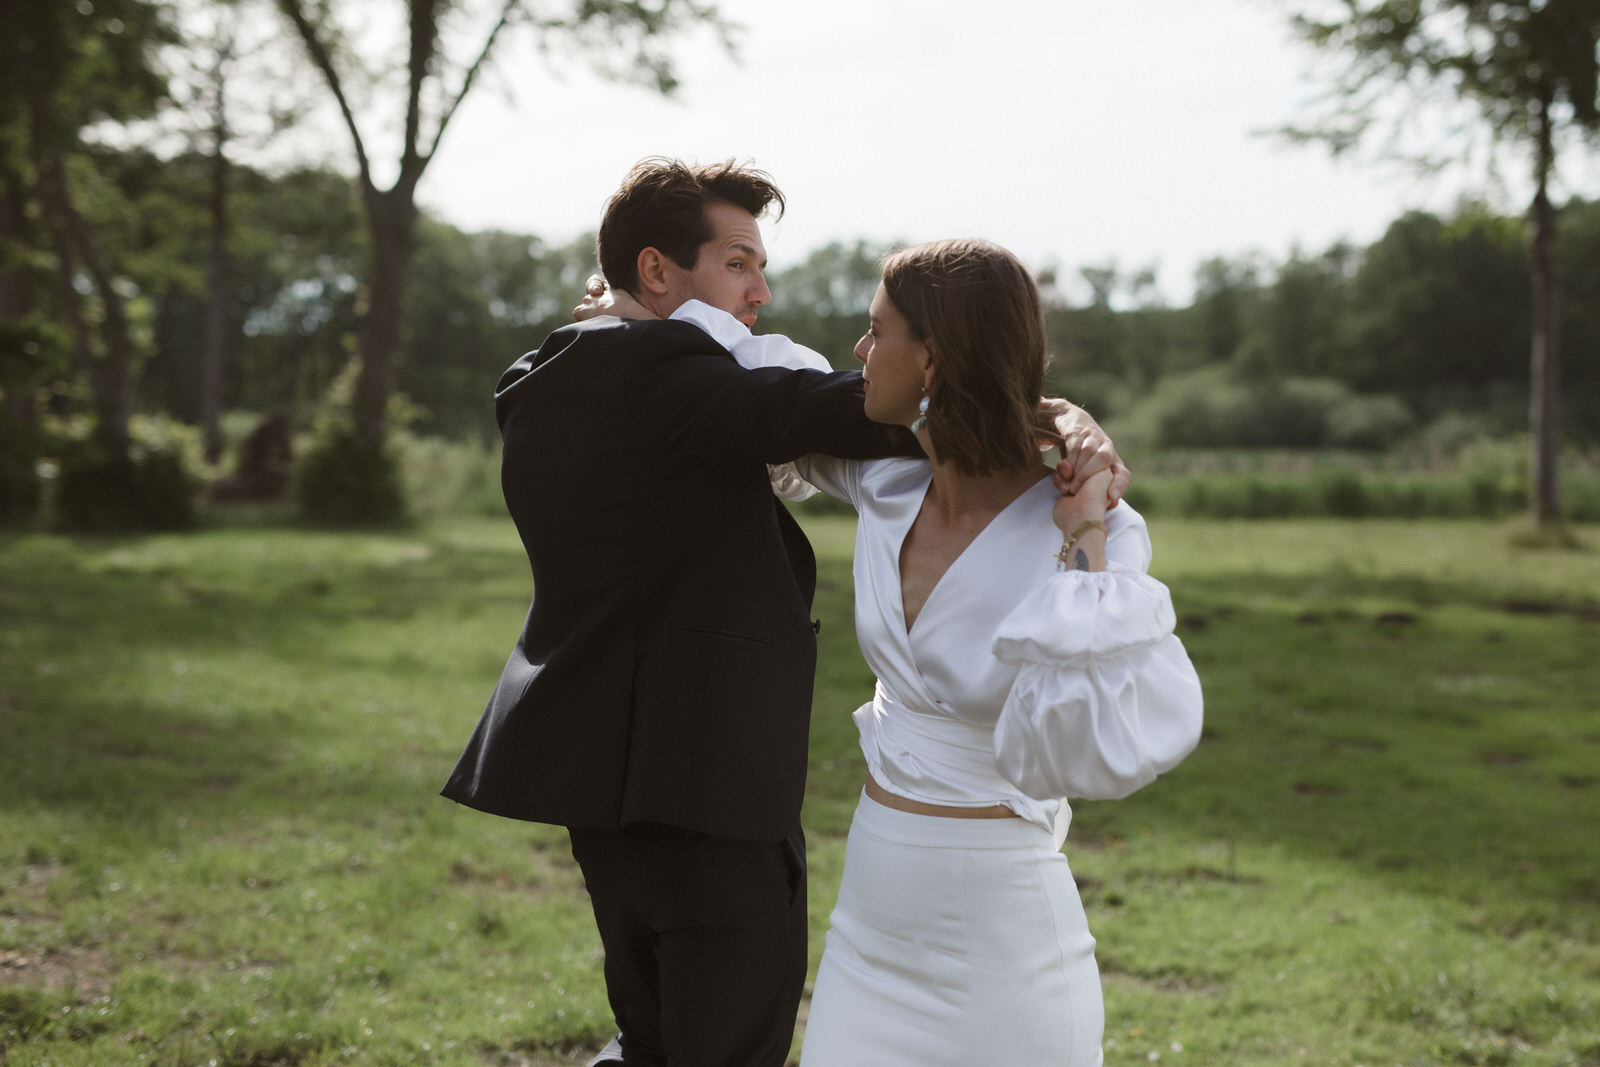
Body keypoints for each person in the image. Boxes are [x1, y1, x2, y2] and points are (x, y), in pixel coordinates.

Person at [441, 159, 1125, 1067]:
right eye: (737, 263)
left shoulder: (547, 374)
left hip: (600, 781)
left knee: (653, 1037)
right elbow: (825, 405)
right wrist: (1043, 417)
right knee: (729, 1044)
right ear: (657, 272)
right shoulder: (669, 376)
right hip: (706, 782)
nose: (760, 291)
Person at [612, 238, 1203, 1064]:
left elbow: (1094, 740)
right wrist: (641, 319)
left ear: (931, 358)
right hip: (871, 920)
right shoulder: (883, 483)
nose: (858, 352)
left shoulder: (1093, 527)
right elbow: (761, 382)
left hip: (1006, 933)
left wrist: (1084, 536)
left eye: (874, 330)